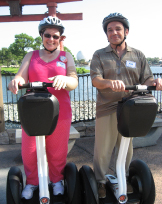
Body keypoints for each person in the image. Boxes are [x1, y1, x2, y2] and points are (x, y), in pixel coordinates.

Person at [90, 12, 162, 198]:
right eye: (110, 30)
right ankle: (100, 182)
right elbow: (96, 80)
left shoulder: (138, 55)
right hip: (107, 107)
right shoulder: (99, 55)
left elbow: (146, 78)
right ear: (106, 34)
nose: (114, 32)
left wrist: (155, 82)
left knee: (126, 148)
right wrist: (109, 83)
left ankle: (124, 176)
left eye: (118, 29)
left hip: (131, 107)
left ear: (126, 31)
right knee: (103, 149)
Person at [8, 16, 78, 200]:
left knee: (57, 150)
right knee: (30, 151)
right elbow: (21, 77)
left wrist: (66, 80)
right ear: (42, 35)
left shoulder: (66, 56)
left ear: (61, 38)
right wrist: (17, 81)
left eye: (56, 36)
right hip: (33, 110)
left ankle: (56, 181)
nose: (52, 39)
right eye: (48, 35)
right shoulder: (31, 56)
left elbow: (74, 81)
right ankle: (32, 182)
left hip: (59, 111)